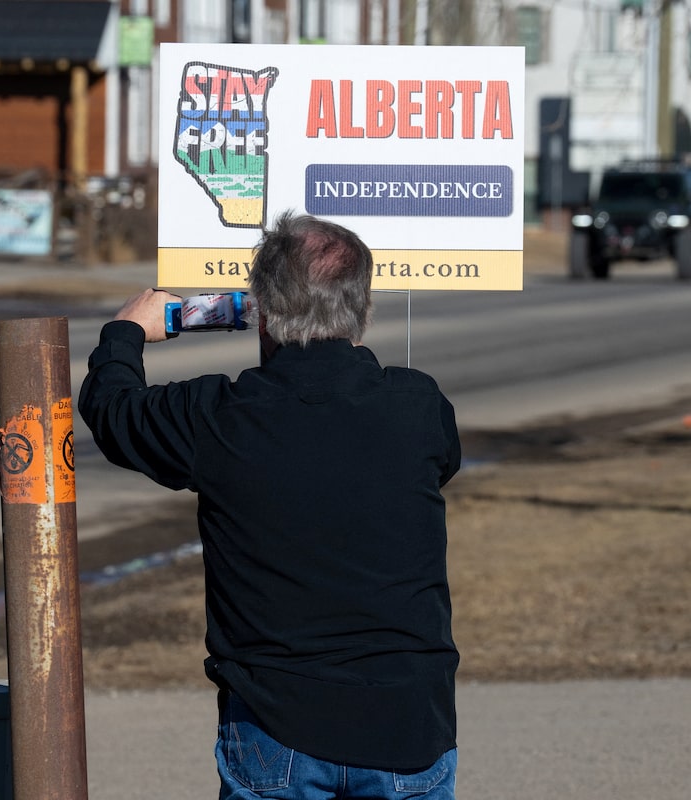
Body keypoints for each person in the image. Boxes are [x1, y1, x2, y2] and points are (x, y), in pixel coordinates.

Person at [78, 211, 462, 799]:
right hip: (409, 722)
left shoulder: (219, 418)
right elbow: (443, 460)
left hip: (275, 723)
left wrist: (126, 332)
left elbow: (112, 408)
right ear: (361, 310)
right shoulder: (419, 406)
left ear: (259, 310)